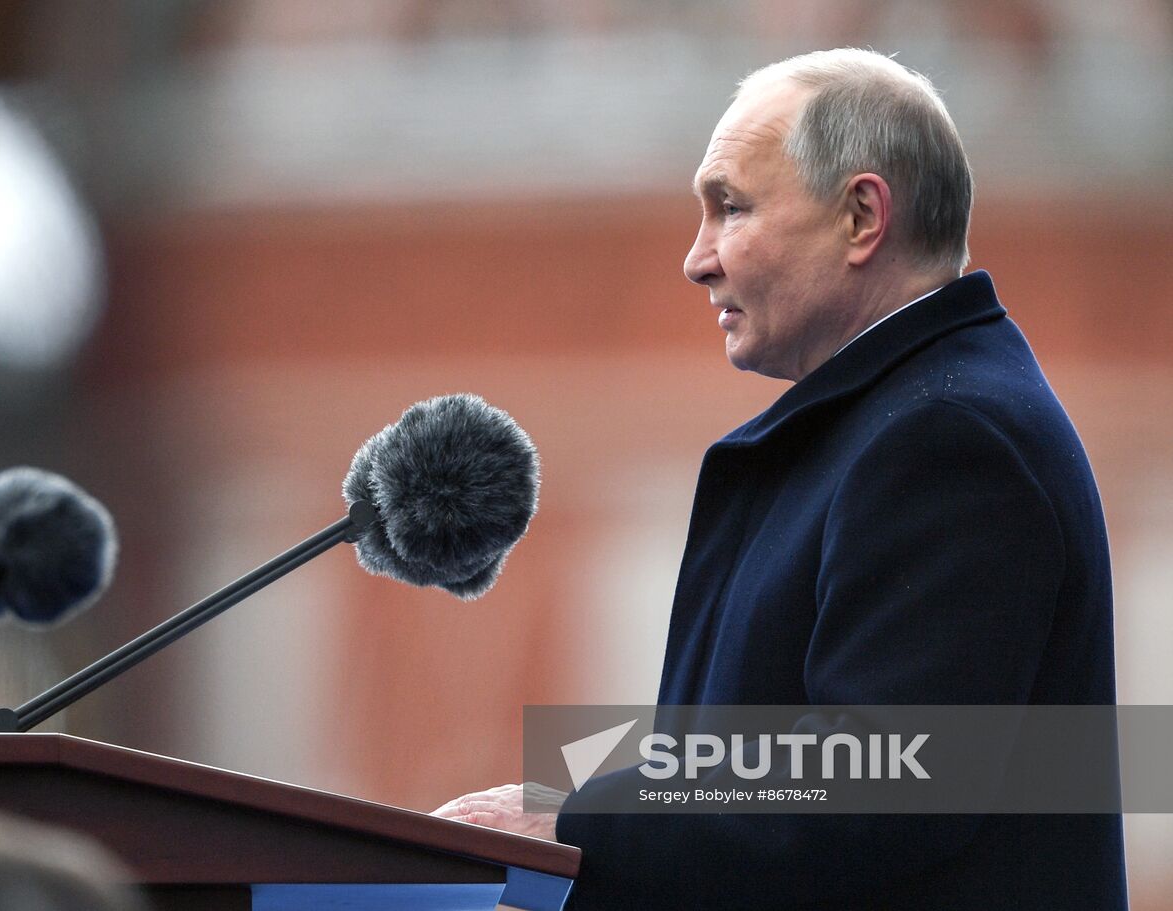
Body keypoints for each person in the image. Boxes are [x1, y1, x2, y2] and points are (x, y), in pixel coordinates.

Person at [432, 48, 1127, 909]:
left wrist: (580, 824)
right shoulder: (889, 421)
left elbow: (883, 774)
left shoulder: (949, 437)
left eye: (731, 207)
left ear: (862, 217)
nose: (697, 259)